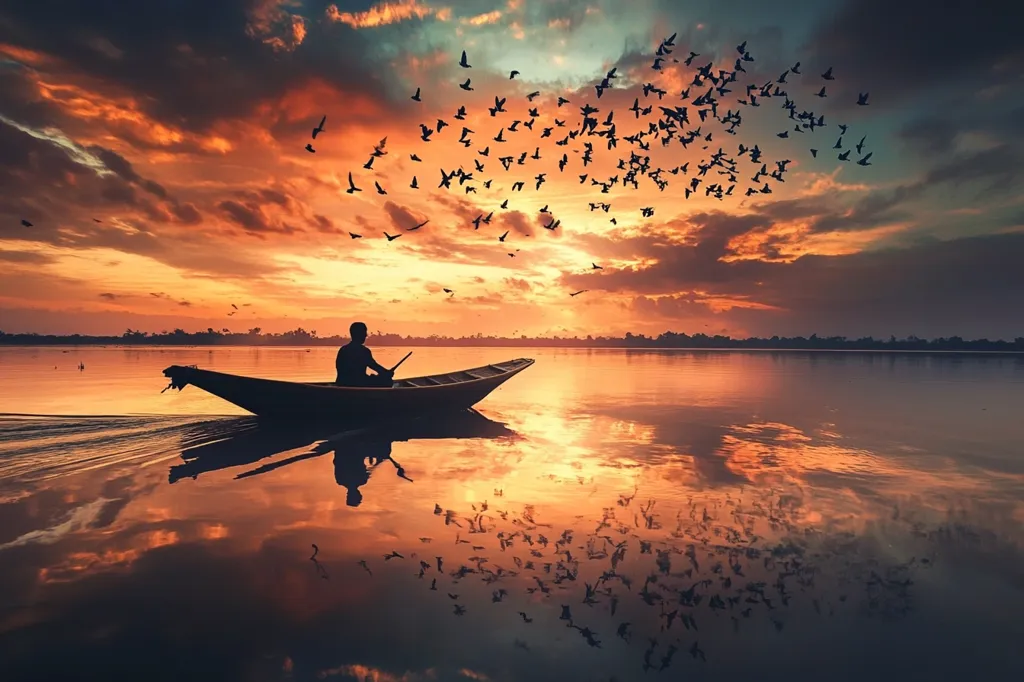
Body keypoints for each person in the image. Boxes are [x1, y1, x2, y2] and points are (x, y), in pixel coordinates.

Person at [335, 321, 394, 387]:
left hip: (341, 383)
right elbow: (374, 366)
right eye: (364, 332)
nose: (366, 335)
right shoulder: (364, 351)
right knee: (388, 381)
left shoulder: (342, 349)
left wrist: (385, 373)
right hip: (358, 384)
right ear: (359, 334)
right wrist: (387, 373)